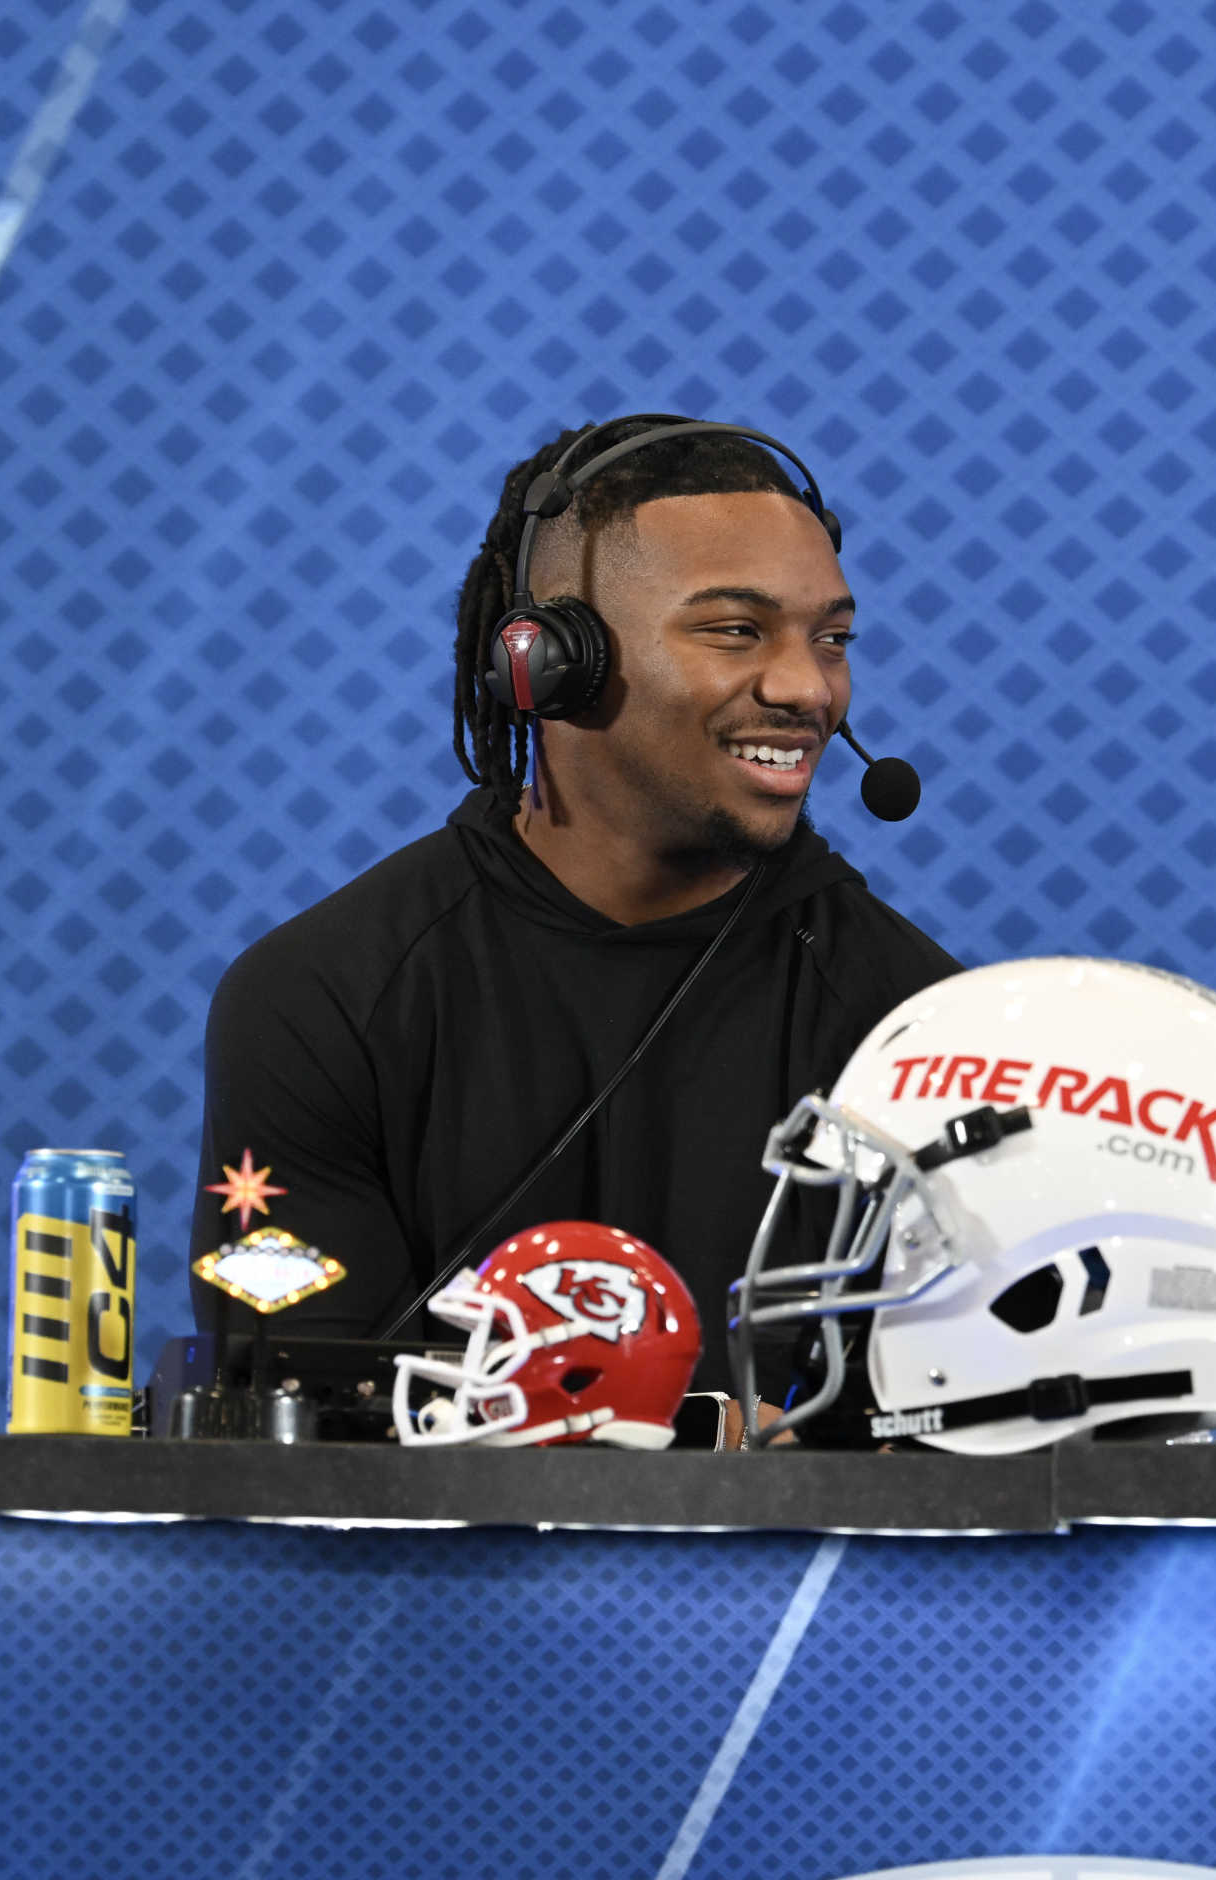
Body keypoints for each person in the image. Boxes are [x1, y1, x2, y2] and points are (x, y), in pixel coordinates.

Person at [190, 416, 958, 1394]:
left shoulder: (919, 1032)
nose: (808, 688)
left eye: (833, 639)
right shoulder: (324, 996)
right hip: (444, 1555)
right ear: (552, 661)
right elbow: (300, 1412)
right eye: (736, 630)